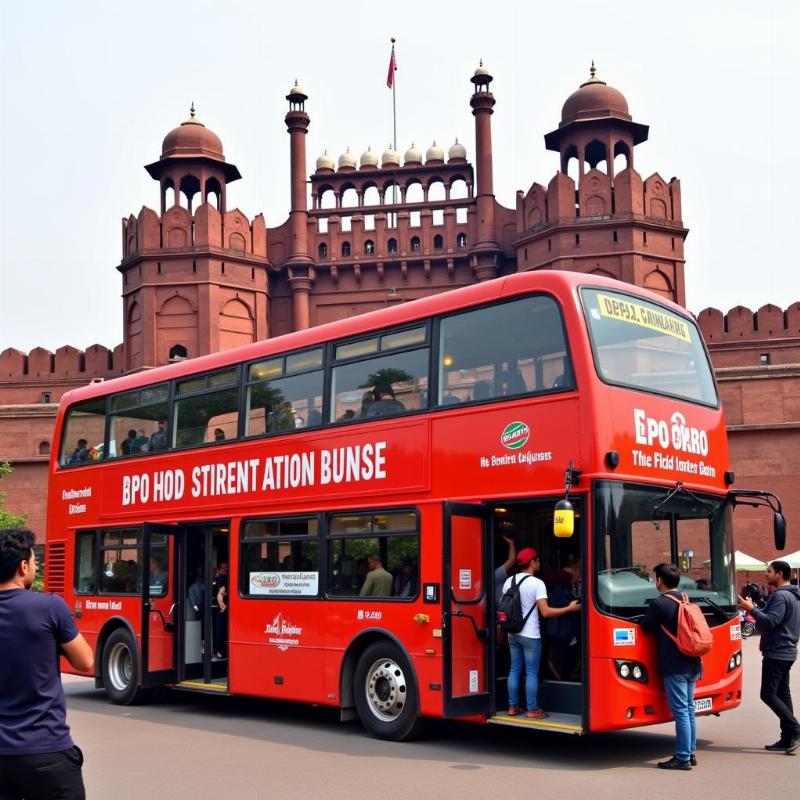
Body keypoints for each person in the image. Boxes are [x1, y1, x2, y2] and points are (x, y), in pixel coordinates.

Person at [0, 528, 94, 800]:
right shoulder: (50, 607)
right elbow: (85, 661)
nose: (36, 567)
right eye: (34, 561)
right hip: (46, 751)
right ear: (23, 566)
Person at [503, 548, 580, 719]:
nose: (539, 563)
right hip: (530, 635)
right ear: (532, 563)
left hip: (512, 633)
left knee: (515, 669)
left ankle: (512, 706)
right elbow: (545, 612)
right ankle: (532, 709)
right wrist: (569, 608)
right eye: (538, 560)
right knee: (531, 672)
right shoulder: (537, 583)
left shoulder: (509, 581)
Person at [640, 562, 702, 770]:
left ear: (660, 581)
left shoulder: (660, 604)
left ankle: (683, 757)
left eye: (654, 577)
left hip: (674, 665)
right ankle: (690, 752)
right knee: (689, 709)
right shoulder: (686, 599)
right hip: (693, 662)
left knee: (681, 711)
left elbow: (645, 626)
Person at [738, 560, 800, 753]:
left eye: (769, 571)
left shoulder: (781, 596)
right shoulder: (792, 595)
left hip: (778, 651)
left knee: (768, 694)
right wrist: (757, 609)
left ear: (780, 574)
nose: (766, 574)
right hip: (786, 650)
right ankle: (787, 737)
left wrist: (751, 609)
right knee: (782, 693)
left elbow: (771, 621)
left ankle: (795, 730)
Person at [546, 554, 582, 680]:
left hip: (557, 622)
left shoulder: (560, 579)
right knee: (564, 651)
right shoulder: (566, 579)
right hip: (563, 623)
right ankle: (560, 674)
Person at [212, 562, 229, 659]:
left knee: (220, 631)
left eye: (225, 569)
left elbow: (220, 595)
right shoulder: (217, 579)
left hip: (220, 610)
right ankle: (218, 650)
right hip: (217, 609)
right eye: (222, 569)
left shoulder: (223, 579)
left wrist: (223, 607)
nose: (224, 571)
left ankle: (219, 651)